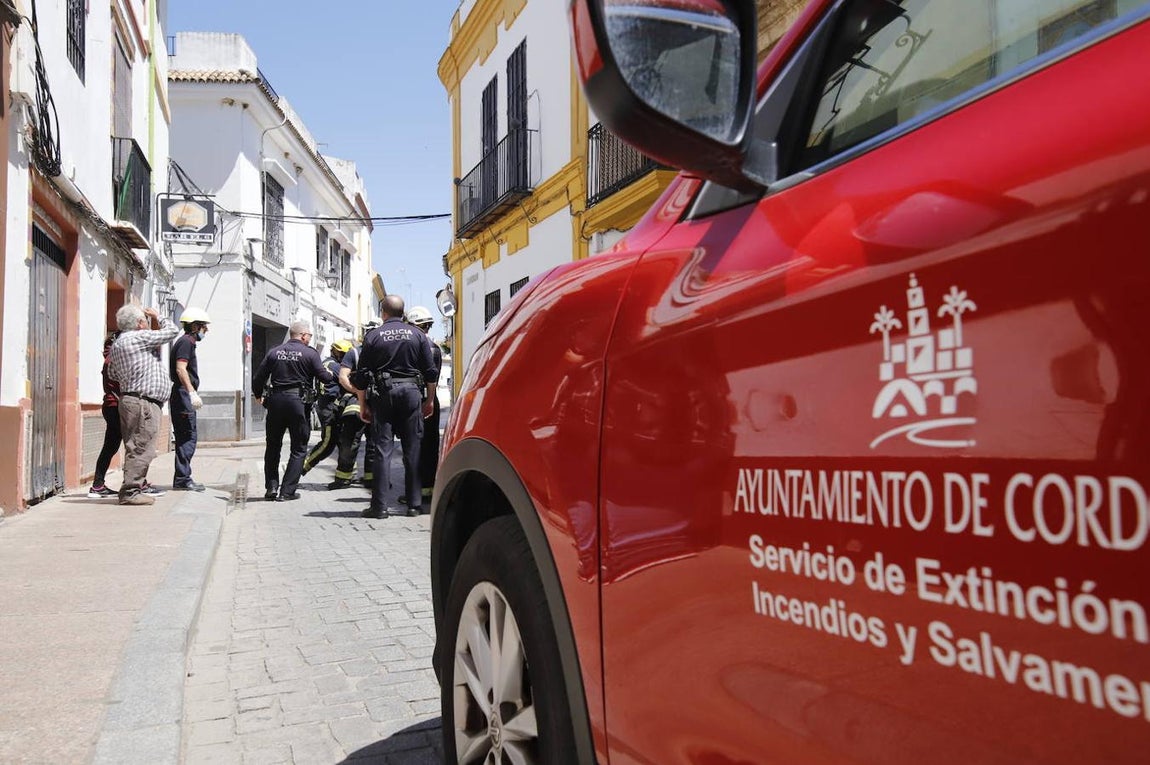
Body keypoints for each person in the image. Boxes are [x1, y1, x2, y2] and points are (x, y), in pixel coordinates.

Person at [352, 297, 437, 519]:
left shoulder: (373, 336)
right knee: (413, 450)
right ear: (404, 312)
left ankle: (379, 508)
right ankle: (413, 505)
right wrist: (429, 400)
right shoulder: (418, 335)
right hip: (411, 394)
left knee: (382, 450)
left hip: (384, 394)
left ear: (383, 313)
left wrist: (363, 405)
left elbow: (361, 377)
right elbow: (430, 372)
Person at [106, 304, 180, 505]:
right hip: (143, 402)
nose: (147, 324)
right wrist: (159, 316)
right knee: (141, 447)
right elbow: (172, 331)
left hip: (131, 399)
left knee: (136, 444)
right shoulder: (138, 337)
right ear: (139, 323)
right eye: (145, 321)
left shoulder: (118, 343)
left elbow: (112, 373)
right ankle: (130, 492)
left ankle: (133, 487)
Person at [252, 320, 334, 501]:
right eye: (309, 336)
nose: (309, 339)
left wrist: (259, 395)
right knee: (298, 448)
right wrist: (331, 375)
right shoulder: (310, 354)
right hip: (298, 403)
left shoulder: (274, 352)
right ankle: (287, 491)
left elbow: (259, 377)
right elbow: (325, 378)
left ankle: (271, 488)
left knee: (273, 446)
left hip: (276, 401)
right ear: (303, 335)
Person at [170, 307, 210, 491]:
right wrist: (191, 392)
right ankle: (182, 479)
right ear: (194, 326)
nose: (206, 330)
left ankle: (182, 477)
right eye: (203, 326)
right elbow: (180, 368)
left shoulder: (186, 342)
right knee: (187, 437)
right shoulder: (186, 342)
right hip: (183, 395)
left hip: (182, 394)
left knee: (186, 436)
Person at [301, 338, 353, 478]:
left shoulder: (326, 363)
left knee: (343, 441)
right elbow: (348, 379)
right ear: (336, 352)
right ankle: (302, 466)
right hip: (329, 409)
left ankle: (346, 472)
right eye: (342, 353)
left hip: (328, 406)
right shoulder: (335, 366)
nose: (344, 357)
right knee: (328, 443)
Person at [405, 306, 442, 504]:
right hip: (430, 398)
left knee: (414, 445)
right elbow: (433, 377)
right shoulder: (434, 347)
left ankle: (415, 491)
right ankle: (428, 487)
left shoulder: (413, 346)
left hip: (416, 398)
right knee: (430, 443)